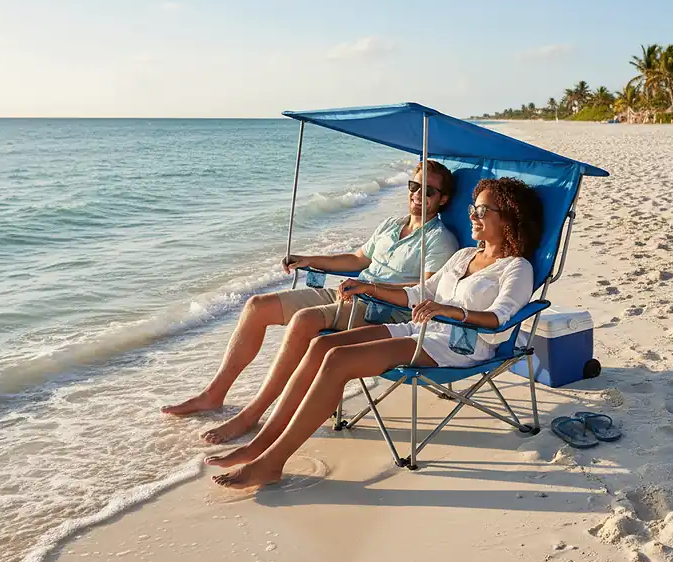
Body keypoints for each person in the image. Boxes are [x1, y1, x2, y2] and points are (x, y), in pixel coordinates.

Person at [206, 177, 543, 489]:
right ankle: (260, 443)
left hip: (459, 345)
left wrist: (450, 311)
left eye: (482, 210)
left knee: (339, 359)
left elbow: (500, 319)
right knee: (323, 345)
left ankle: (272, 462)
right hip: (421, 330)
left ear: (509, 217)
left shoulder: (517, 268)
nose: (473, 215)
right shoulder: (464, 255)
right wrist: (370, 287)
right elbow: (417, 294)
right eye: (473, 208)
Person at [162, 160, 459, 444]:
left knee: (305, 320)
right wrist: (308, 259)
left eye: (428, 191)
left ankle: (252, 414)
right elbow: (357, 259)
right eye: (414, 186)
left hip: (384, 309)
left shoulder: (440, 239)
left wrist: (370, 286)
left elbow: (426, 288)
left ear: (443, 199)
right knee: (257, 305)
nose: (418, 195)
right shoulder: (390, 225)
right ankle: (214, 394)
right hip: (349, 294)